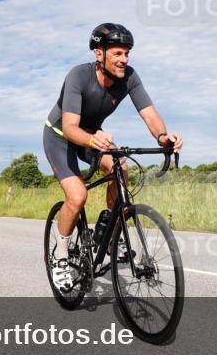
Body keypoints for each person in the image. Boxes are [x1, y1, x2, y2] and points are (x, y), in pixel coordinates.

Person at [43, 23, 182, 290]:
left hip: (92, 134)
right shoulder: (78, 76)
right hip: (60, 135)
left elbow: (150, 114)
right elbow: (71, 127)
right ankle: (60, 258)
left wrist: (163, 138)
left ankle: (108, 232)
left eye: (127, 53)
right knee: (77, 196)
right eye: (118, 53)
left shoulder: (129, 77)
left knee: (121, 167)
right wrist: (93, 138)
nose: (124, 60)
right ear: (99, 54)